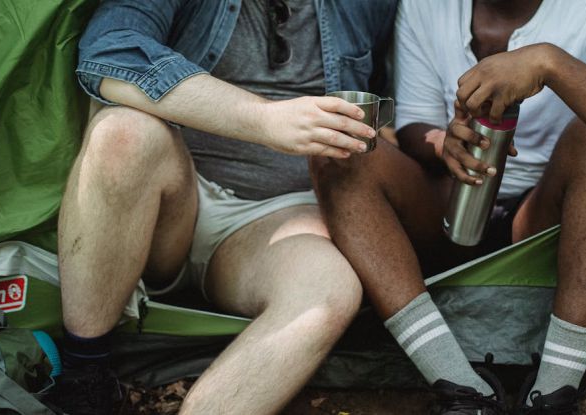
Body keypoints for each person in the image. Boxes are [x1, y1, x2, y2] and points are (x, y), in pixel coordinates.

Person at [310, 0, 586, 413]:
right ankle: (461, 389)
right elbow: (414, 123)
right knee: (337, 147)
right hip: (452, 207)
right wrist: (446, 144)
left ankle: (552, 394)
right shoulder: (427, 6)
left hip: (548, 221)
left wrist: (551, 64)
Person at [53, 1, 396, 414]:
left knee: (329, 289)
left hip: (277, 220)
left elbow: (392, 101)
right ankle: (84, 379)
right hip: (177, 199)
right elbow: (107, 53)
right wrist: (262, 120)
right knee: (123, 132)